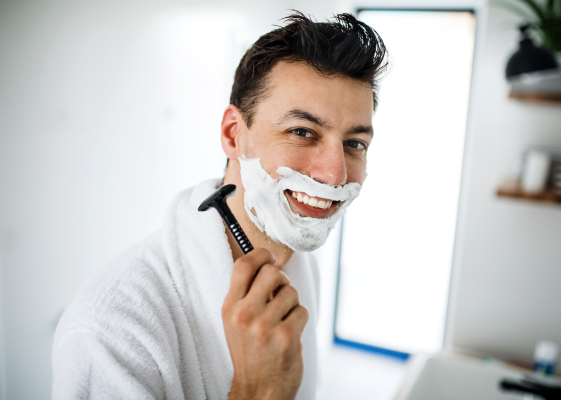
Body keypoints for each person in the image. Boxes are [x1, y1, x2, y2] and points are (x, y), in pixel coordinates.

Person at [52, 11, 387, 400]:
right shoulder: (110, 329)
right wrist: (256, 390)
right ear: (233, 136)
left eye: (354, 143)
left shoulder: (300, 264)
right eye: (301, 132)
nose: (335, 174)